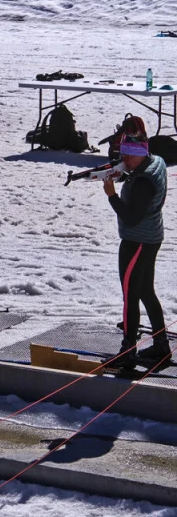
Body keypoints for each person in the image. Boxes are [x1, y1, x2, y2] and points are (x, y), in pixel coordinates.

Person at [103, 134, 171, 368]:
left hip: (137, 240)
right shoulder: (157, 161)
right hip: (152, 236)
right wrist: (124, 172)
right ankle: (161, 345)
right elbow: (139, 177)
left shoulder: (143, 181)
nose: (124, 159)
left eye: (128, 155)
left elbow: (131, 217)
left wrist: (111, 194)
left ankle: (128, 351)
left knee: (130, 296)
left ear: (140, 154)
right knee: (145, 291)